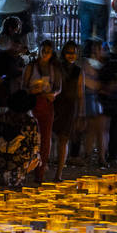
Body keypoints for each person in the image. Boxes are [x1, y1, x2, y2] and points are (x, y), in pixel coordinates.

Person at [23, 40, 61, 182]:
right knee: (31, 138)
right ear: (39, 50)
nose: (45, 54)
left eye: (48, 52)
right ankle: (27, 169)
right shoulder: (31, 67)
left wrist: (53, 94)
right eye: (43, 51)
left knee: (45, 139)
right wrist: (32, 90)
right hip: (33, 105)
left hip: (47, 104)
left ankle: (40, 171)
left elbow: (58, 87)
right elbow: (23, 86)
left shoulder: (53, 69)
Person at [0, 90, 41, 188]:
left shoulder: (2, 118)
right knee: (36, 157)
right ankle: (17, 175)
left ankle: (4, 174)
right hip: (18, 160)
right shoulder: (30, 122)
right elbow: (36, 144)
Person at [52, 41, 82, 181]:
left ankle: (59, 173)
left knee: (64, 139)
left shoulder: (78, 71)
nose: (71, 55)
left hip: (70, 107)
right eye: (69, 52)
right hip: (57, 104)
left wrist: (81, 113)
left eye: (74, 52)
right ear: (64, 53)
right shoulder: (58, 67)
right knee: (51, 137)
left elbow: (80, 93)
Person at [79, 40, 109, 166]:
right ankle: (92, 156)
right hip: (92, 98)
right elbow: (88, 82)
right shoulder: (88, 64)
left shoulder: (104, 65)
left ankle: (99, 157)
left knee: (100, 130)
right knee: (93, 129)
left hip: (99, 99)